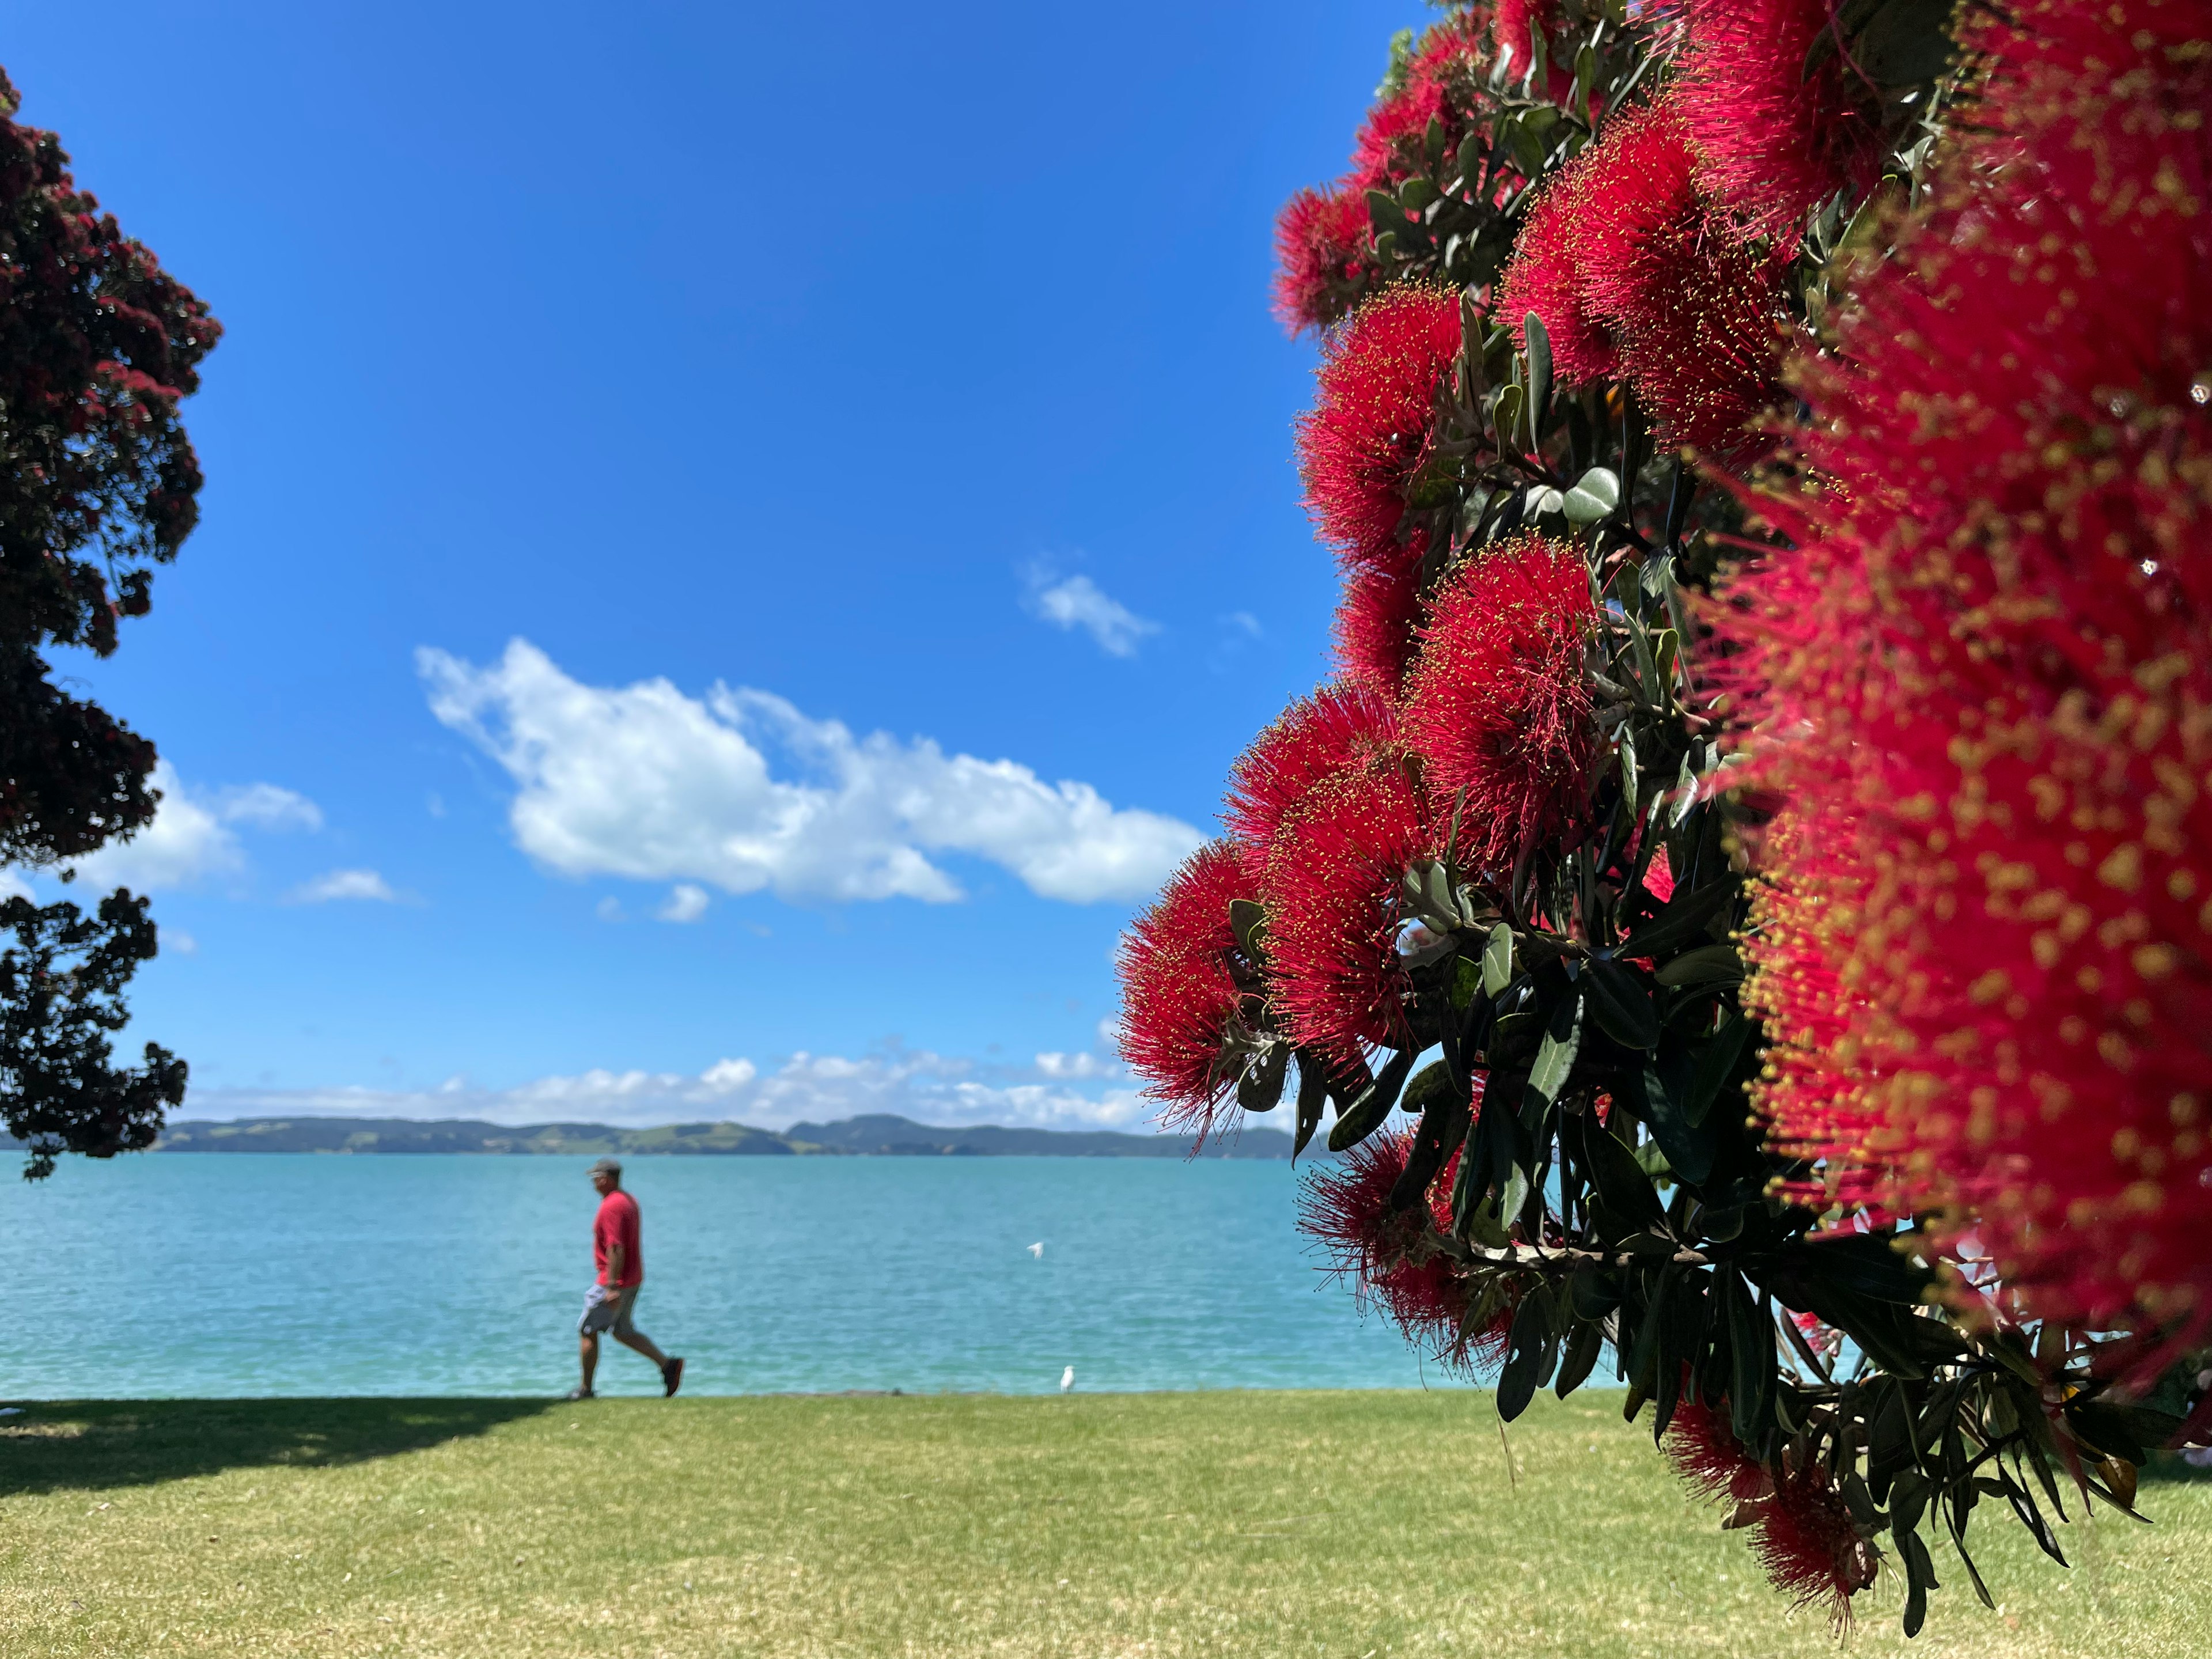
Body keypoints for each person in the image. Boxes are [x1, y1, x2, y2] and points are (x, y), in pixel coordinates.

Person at [568, 1158, 683, 1399]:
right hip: (632, 1278)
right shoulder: (628, 1201)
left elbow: (616, 1247)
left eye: (595, 1179)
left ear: (605, 1179)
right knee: (622, 1330)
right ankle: (667, 1365)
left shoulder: (612, 1206)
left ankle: (586, 1390)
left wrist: (611, 1286)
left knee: (587, 1330)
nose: (593, 1184)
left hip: (614, 1281)